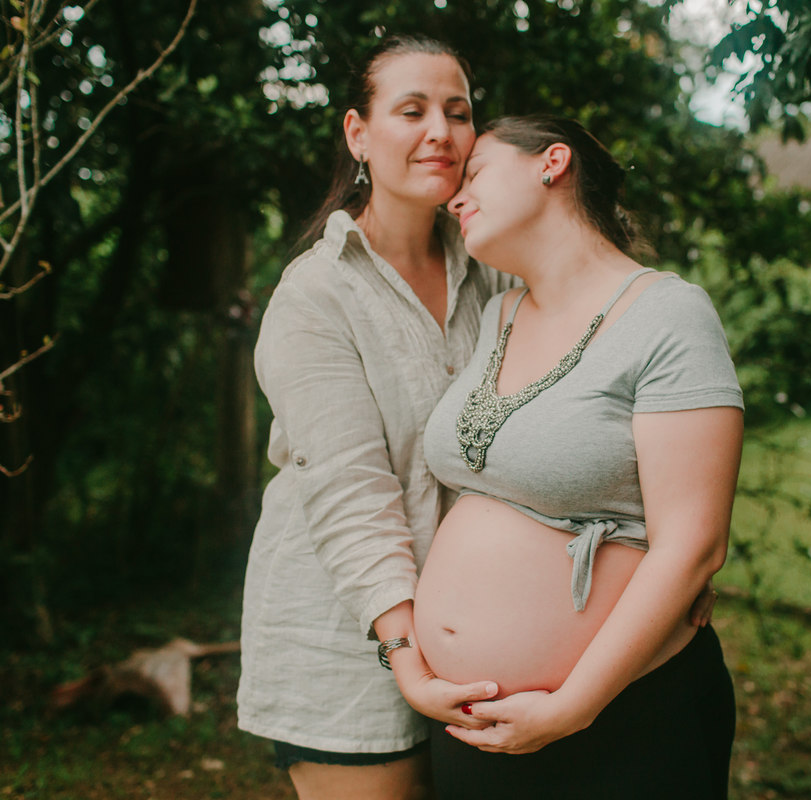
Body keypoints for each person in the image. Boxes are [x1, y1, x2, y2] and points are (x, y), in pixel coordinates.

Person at [407, 115, 745, 799]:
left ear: (551, 163)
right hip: (473, 726)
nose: (455, 197)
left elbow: (693, 544)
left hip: (621, 719)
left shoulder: (667, 314)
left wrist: (572, 707)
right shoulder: (499, 314)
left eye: (474, 174)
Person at [236, 35, 512, 800]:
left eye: (458, 113)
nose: (441, 133)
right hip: (348, 642)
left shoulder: (496, 275)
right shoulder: (315, 297)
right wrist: (407, 657)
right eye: (412, 110)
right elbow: (352, 493)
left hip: (480, 639)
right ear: (359, 134)